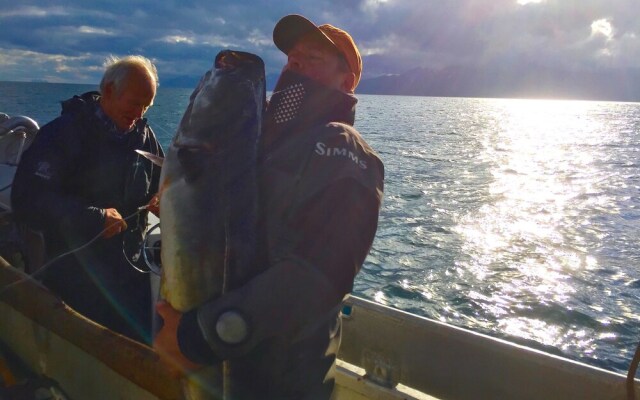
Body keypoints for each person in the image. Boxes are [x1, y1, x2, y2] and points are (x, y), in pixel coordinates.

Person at [154, 14, 384, 399]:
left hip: (280, 381)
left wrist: (202, 335)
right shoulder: (262, 140)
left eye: (313, 57)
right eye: (293, 56)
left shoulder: (343, 147)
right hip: (213, 360)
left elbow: (318, 274)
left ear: (347, 82)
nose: (295, 62)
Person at [11, 55, 164, 344]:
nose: (139, 113)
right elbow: (27, 199)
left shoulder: (144, 137)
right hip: (76, 279)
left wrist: (162, 198)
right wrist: (94, 218)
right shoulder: (63, 134)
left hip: (131, 278)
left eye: (146, 106)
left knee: (138, 355)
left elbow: (161, 184)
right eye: (133, 103)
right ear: (108, 91)